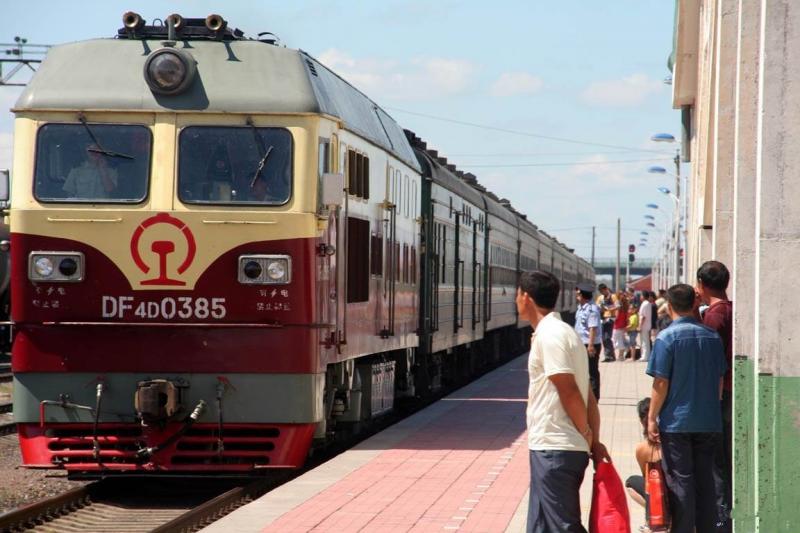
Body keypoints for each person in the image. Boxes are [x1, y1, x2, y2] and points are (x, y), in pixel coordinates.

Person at [518, 271, 610, 532]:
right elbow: (588, 396)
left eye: (517, 294)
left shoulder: (551, 336)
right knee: (541, 526)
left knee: (563, 526)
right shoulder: (565, 333)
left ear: (526, 297)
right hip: (554, 446)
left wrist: (587, 434)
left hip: (556, 447)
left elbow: (569, 390)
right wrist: (594, 439)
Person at [646, 284, 727, 533]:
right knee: (706, 482)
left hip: (677, 423)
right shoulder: (712, 337)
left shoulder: (666, 338)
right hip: (709, 420)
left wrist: (651, 418)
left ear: (669, 306)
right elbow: (719, 380)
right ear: (694, 304)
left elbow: (661, 382)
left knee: (681, 482)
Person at [696, 260, 733, 529]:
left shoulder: (714, 316)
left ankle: (720, 520)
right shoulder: (729, 310)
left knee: (717, 464)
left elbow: (710, 362)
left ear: (702, 285)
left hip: (719, 397)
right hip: (728, 394)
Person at [625, 398, 662, 525]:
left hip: (658, 494)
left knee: (630, 483)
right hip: (681, 490)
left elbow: (647, 479)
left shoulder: (642, 449)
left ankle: (651, 515)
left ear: (642, 421)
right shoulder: (674, 443)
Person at [574, 283, 602, 400]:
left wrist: (590, 345)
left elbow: (593, 328)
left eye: (578, 294)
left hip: (589, 344)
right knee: (583, 371)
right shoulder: (582, 308)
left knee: (592, 371)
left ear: (582, 295)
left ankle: (594, 398)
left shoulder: (592, 309)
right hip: (582, 344)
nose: (576, 296)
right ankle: (585, 395)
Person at [596, 283, 618, 362]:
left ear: (606, 289)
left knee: (607, 337)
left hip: (610, 319)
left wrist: (609, 308)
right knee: (603, 338)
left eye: (602, 291)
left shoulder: (613, 296)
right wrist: (600, 308)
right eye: (600, 292)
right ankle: (608, 355)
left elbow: (618, 305)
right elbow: (597, 306)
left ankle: (610, 356)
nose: (602, 293)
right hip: (602, 319)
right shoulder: (600, 298)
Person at [612, 293, 629, 362]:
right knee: (620, 340)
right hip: (623, 326)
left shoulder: (618, 309)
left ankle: (620, 356)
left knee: (614, 340)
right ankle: (620, 356)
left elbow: (616, 317)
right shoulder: (626, 307)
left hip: (617, 326)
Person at [638, 291, 653, 362]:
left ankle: (644, 356)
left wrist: (639, 326)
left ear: (643, 296)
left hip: (644, 325)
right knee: (646, 341)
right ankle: (646, 355)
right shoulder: (648, 303)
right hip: (647, 325)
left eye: (641, 295)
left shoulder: (644, 304)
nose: (640, 297)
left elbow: (643, 316)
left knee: (644, 341)